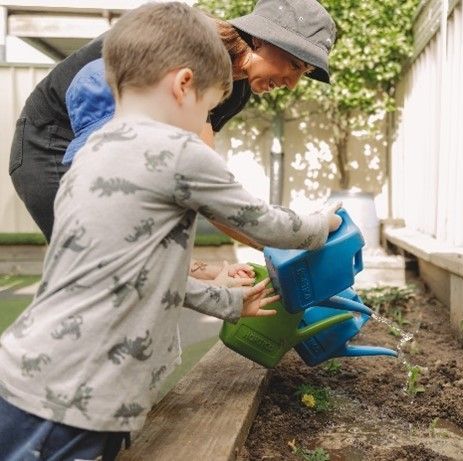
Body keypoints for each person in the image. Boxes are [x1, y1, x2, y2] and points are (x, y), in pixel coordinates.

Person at [0, 3, 341, 460]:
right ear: (183, 84)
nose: (294, 81)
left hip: (22, 378)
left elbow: (150, 253)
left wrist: (224, 296)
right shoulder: (178, 93)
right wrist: (320, 228)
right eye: (295, 64)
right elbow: (230, 200)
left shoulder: (107, 152)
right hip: (71, 407)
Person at [8, 0, 337, 242]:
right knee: (98, 257)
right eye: (295, 64)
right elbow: (204, 185)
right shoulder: (189, 40)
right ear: (262, 38)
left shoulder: (236, 90)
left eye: (303, 73)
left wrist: (269, 247)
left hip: (116, 145)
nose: (293, 83)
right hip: (53, 140)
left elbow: (205, 180)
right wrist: (294, 237)